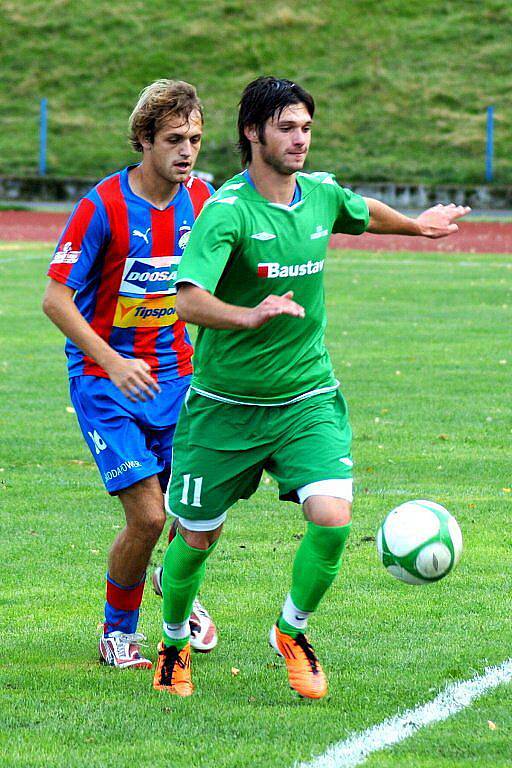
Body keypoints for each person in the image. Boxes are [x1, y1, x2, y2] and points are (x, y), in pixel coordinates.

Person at [152, 76, 470, 698]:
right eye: (287, 128)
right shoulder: (228, 211)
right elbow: (187, 299)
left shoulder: (319, 194)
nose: (300, 140)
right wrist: (249, 314)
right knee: (195, 539)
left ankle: (291, 631)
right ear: (253, 133)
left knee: (332, 519)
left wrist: (417, 226)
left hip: (306, 398)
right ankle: (173, 644)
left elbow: (360, 211)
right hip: (225, 407)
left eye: (306, 128)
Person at [43, 79, 218, 669]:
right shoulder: (102, 206)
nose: (187, 151)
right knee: (147, 515)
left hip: (180, 380)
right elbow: (55, 299)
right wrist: (114, 362)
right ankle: (118, 630)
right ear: (144, 139)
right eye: (174, 139)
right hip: (106, 382)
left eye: (195, 138)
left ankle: (175, 588)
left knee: (195, 512)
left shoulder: (205, 199)